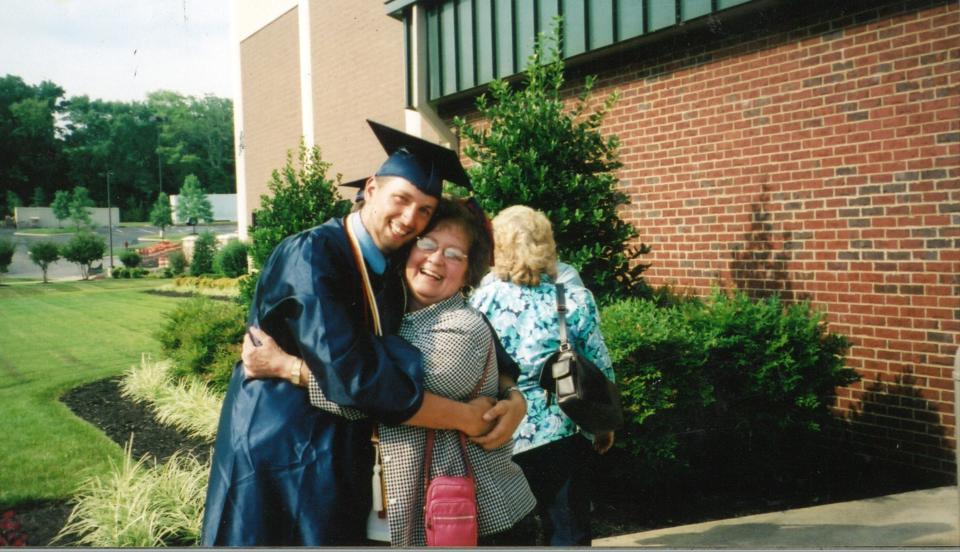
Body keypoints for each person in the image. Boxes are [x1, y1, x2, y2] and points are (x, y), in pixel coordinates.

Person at [200, 121, 527, 546]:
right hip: (284, 442)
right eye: (402, 199)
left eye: (425, 209)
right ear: (371, 189)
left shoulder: (393, 261)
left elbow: (481, 345)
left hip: (345, 445)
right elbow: (357, 377)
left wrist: (512, 397)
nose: (411, 219)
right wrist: (467, 417)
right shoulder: (314, 255)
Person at [243, 199, 537, 546]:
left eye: (454, 254)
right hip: (398, 517)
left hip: (474, 522)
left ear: (468, 272)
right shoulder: (390, 315)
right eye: (426, 244)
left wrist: (287, 367)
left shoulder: (461, 328)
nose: (436, 259)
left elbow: (378, 395)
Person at [470, 205, 616, 546]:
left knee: (508, 533)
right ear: (546, 244)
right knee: (567, 530)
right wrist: (603, 424)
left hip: (499, 431)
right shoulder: (573, 300)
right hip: (562, 430)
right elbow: (599, 367)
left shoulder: (481, 300)